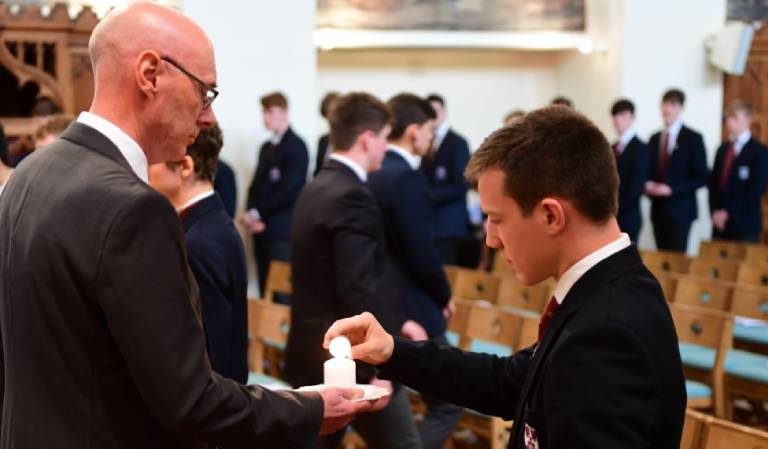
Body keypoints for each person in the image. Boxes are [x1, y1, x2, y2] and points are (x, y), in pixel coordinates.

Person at [0, 3, 371, 448]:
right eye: (205, 92)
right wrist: (310, 408)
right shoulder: (132, 208)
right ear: (151, 74)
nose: (208, 117)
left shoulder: (30, 172)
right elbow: (189, 401)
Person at [325, 106, 687, 449]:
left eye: (497, 218)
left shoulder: (607, 331)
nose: (490, 238)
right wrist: (391, 351)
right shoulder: (603, 291)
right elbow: (509, 382)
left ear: (550, 216)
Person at [285, 92, 423, 449]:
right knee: (405, 445)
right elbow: (357, 289)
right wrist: (378, 367)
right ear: (367, 139)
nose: (385, 148)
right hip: (348, 361)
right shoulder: (352, 195)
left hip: (309, 351)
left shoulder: (315, 187)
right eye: (383, 138)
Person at [368, 93, 460, 449]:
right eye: (428, 130)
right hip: (412, 307)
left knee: (394, 392)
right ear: (412, 131)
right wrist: (444, 295)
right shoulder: (405, 178)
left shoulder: (374, 173)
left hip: (385, 302)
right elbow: (421, 253)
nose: (431, 138)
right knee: (449, 401)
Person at [149, 124, 248, 383]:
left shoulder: (198, 241)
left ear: (184, 166)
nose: (145, 170)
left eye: (152, 160)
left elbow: (213, 352)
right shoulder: (211, 222)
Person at [242, 91, 308, 300]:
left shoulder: (297, 147)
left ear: (284, 112)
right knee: (264, 292)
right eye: (264, 112)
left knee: (281, 295)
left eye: (269, 112)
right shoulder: (265, 147)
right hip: (260, 231)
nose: (265, 117)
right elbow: (255, 186)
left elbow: (290, 191)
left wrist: (259, 214)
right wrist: (252, 215)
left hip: (281, 231)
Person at [646, 88, 709, 252]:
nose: (667, 109)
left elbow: (702, 177)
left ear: (680, 108)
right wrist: (647, 186)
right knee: (660, 259)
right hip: (658, 210)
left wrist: (672, 190)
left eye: (672, 105)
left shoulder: (693, 138)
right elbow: (649, 171)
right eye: (664, 104)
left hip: (681, 211)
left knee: (677, 262)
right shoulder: (654, 138)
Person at [421, 94, 471, 265]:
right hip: (430, 225)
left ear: (444, 113)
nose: (432, 116)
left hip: (448, 226)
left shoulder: (458, 143)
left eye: (436, 111)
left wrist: (426, 195)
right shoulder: (426, 143)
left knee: (447, 276)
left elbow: (461, 184)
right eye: (428, 112)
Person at [709, 99, 768, 242]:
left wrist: (728, 212)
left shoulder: (759, 152)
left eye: (734, 117)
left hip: (744, 224)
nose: (729, 122)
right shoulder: (722, 149)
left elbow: (756, 190)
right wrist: (715, 211)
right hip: (720, 225)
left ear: (748, 119)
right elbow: (714, 184)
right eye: (727, 117)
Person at [610, 98, 650, 242]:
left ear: (632, 117)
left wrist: (615, 210)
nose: (617, 120)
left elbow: (637, 186)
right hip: (610, 218)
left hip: (629, 217)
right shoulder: (611, 147)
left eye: (622, 115)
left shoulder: (641, 148)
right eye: (614, 115)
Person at [314, 91, 340, 176]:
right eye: (327, 115)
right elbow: (318, 170)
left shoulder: (349, 140)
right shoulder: (323, 140)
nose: (330, 119)